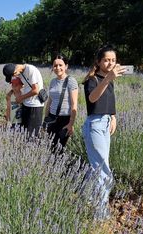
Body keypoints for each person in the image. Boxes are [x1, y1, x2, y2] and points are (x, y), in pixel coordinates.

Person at [82, 44, 125, 219]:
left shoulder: (110, 80)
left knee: (98, 168)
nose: (110, 63)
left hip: (105, 123)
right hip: (95, 125)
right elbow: (92, 99)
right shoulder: (92, 80)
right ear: (98, 62)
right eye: (106, 60)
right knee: (103, 171)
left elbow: (108, 101)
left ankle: (88, 199)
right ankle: (100, 215)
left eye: (113, 60)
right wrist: (108, 79)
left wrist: (113, 117)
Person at [44, 55, 78, 149]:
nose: (57, 68)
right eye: (55, 65)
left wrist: (71, 124)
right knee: (50, 146)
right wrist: (45, 119)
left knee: (59, 148)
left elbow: (74, 104)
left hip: (64, 120)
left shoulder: (71, 81)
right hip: (51, 118)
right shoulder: (53, 81)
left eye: (60, 65)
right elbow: (49, 101)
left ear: (66, 66)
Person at [3, 63, 45, 136]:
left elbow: (35, 90)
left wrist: (21, 98)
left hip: (35, 106)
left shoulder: (31, 70)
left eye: (13, 75)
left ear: (15, 71)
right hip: (27, 104)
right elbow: (18, 86)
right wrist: (10, 93)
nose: (14, 77)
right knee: (25, 132)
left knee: (32, 134)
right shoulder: (20, 73)